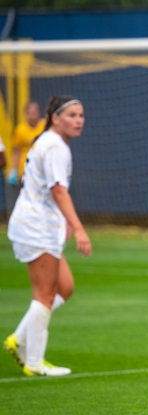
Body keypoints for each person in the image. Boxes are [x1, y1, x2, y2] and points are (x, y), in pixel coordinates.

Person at [2, 95, 91, 377]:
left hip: (42, 226)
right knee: (44, 295)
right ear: (55, 118)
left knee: (65, 287)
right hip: (35, 227)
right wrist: (78, 227)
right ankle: (34, 362)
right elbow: (58, 191)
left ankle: (19, 338)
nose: (78, 120)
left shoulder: (51, 142)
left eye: (81, 115)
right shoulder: (54, 146)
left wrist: (63, 222)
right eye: (72, 115)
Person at [6, 102, 45, 214]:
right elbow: (16, 152)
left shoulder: (45, 126)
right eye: (30, 113)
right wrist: (14, 170)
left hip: (43, 171)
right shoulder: (20, 130)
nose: (33, 116)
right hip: (25, 172)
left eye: (35, 113)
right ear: (26, 114)